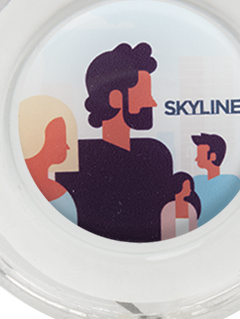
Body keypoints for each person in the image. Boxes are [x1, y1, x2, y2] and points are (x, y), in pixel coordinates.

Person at [55, 42, 173, 243]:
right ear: (115, 99)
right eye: (144, 94)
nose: (152, 103)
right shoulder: (76, 159)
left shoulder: (156, 154)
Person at [18, 95, 79, 224]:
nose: (67, 146)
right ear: (38, 140)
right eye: (60, 138)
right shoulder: (61, 198)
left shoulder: (62, 197)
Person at [190, 132, 240, 224]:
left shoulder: (233, 182)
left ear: (212, 157)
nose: (196, 159)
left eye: (200, 155)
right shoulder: (196, 181)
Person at [160, 173, 200, 240]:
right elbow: (165, 234)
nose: (190, 189)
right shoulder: (168, 208)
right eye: (187, 186)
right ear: (179, 187)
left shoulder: (190, 208)